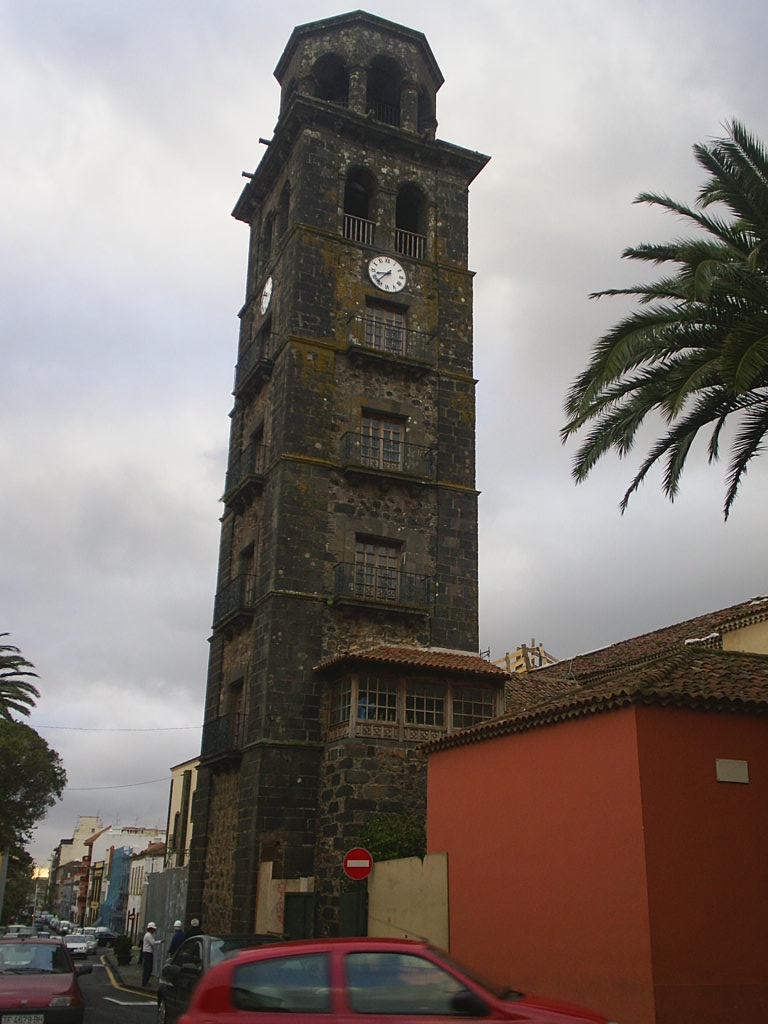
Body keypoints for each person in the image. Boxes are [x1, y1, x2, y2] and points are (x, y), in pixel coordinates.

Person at [141, 922, 161, 986]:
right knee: (148, 968)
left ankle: (145, 982)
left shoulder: (148, 935)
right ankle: (145, 982)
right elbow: (153, 943)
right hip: (147, 953)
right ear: (151, 929)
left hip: (147, 953)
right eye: (153, 929)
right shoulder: (148, 935)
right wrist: (160, 941)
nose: (154, 931)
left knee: (147, 968)